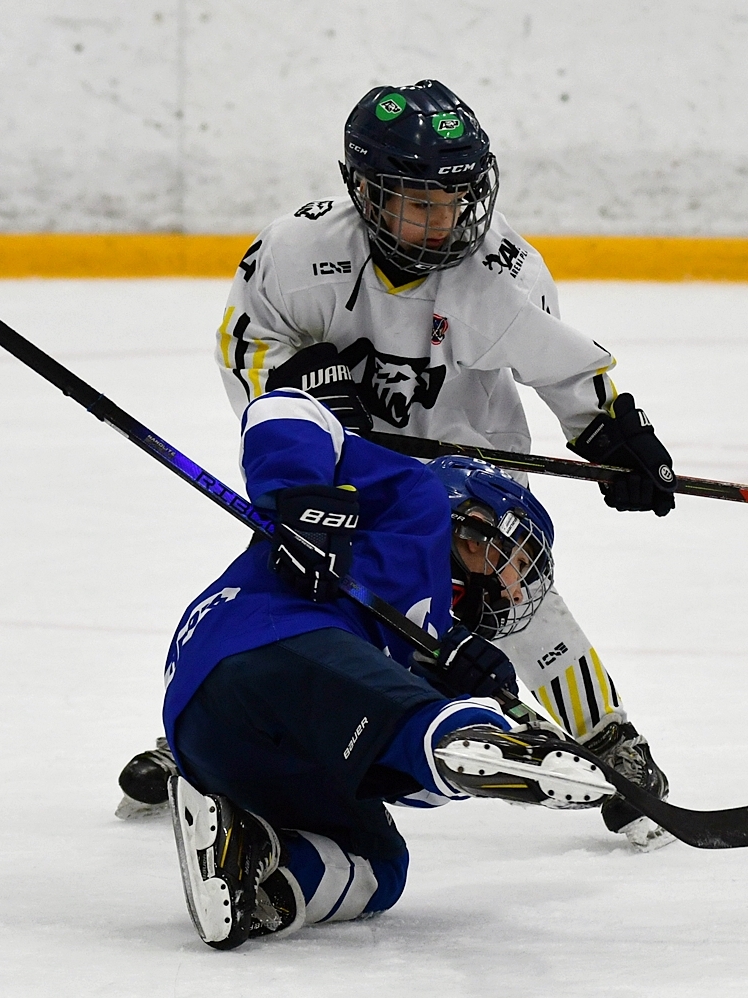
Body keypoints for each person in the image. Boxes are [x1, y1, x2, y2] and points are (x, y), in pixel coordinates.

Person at [121, 78, 675, 846]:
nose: (442, 219)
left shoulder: (502, 272)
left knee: (500, 580)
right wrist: (304, 399)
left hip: (471, 465)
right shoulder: (298, 252)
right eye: (418, 201)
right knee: (301, 584)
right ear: (364, 191)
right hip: (354, 468)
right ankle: (213, 726)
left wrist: (612, 434)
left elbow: (564, 367)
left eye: (454, 200)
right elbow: (246, 344)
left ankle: (609, 736)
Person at [165, 385, 612, 949]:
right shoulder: (417, 495)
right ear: (473, 518)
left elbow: (392, 778)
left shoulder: (430, 638)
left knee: (380, 868)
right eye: (514, 559)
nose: (513, 586)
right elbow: (283, 406)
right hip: (255, 643)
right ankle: (484, 741)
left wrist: (458, 707)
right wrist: (299, 501)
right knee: (416, 717)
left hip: (220, 747)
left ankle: (252, 863)